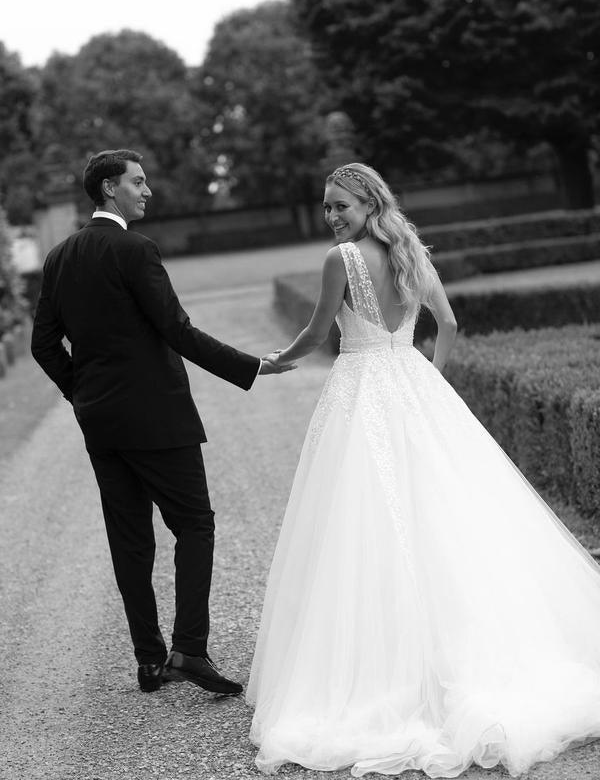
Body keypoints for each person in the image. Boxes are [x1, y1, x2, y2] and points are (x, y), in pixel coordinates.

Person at [246, 163, 600, 777]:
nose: (332, 217)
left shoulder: (342, 261)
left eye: (341, 206)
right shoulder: (411, 251)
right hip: (411, 383)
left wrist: (279, 362)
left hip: (361, 388)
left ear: (367, 202)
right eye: (327, 207)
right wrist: (427, 379)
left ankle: (389, 664)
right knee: (443, 511)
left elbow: (316, 332)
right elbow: (449, 325)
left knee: (363, 519)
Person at [31, 149, 293, 696]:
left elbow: (43, 344)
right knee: (195, 524)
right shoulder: (135, 249)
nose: (148, 191)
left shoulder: (58, 258)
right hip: (157, 419)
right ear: (109, 189)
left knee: (130, 541)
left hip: (100, 422)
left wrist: (81, 393)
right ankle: (189, 652)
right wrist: (252, 365)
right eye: (138, 182)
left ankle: (150, 662)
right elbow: (178, 331)